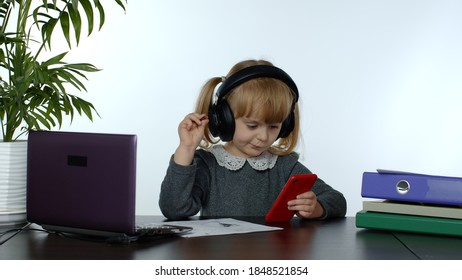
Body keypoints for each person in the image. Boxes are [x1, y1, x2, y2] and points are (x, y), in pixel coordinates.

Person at [159, 59, 347, 221]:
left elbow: (337, 200)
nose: (264, 137)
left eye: (273, 126)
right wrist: (186, 148)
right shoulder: (209, 164)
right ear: (224, 120)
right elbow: (174, 209)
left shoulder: (283, 166)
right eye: (252, 126)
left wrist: (317, 207)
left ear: (286, 124)